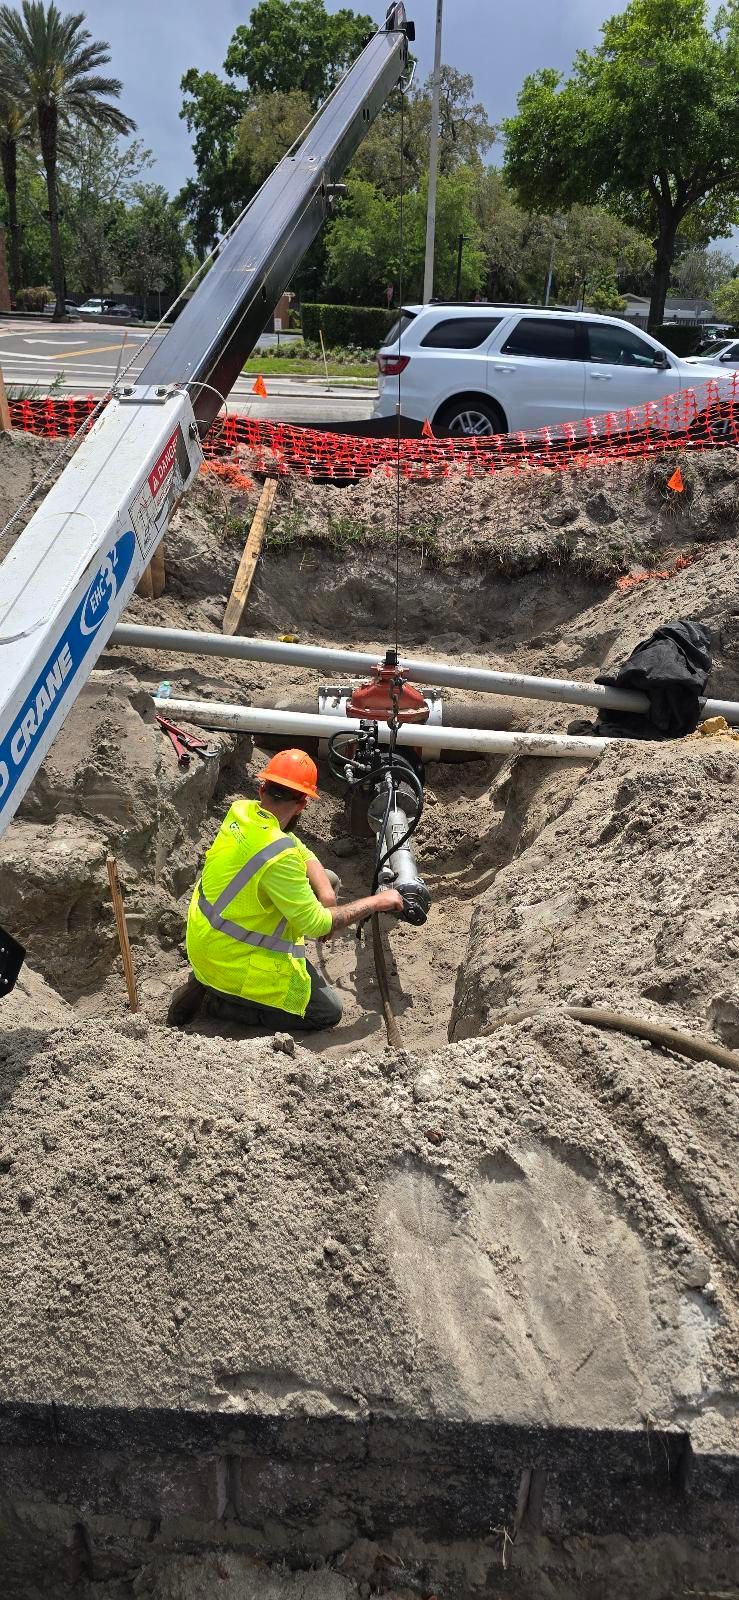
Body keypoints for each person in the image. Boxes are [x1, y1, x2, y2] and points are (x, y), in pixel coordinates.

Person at [167, 748, 403, 1032]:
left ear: (262, 787)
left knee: (325, 879)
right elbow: (316, 925)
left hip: (206, 939)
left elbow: (291, 843)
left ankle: (211, 983)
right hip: (231, 961)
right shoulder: (279, 858)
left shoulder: (241, 812)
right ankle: (218, 1003)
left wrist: (327, 894)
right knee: (326, 1012)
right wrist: (377, 901)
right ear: (303, 803)